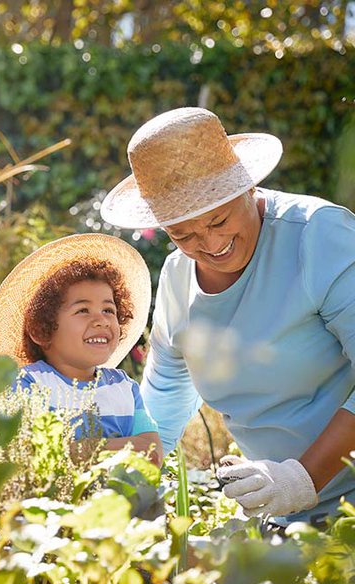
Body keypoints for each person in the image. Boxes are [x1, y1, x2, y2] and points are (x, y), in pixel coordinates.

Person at [101, 106, 355, 524]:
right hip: (285, 516)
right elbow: (165, 395)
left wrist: (301, 478)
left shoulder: (318, 237)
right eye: (183, 233)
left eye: (219, 219)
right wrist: (132, 487)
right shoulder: (178, 279)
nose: (211, 242)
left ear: (247, 186)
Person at [0, 234, 163, 465]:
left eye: (109, 310)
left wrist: (83, 450)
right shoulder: (29, 384)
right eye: (83, 311)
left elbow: (153, 451)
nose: (101, 321)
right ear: (42, 330)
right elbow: (34, 454)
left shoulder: (124, 387)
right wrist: (124, 447)